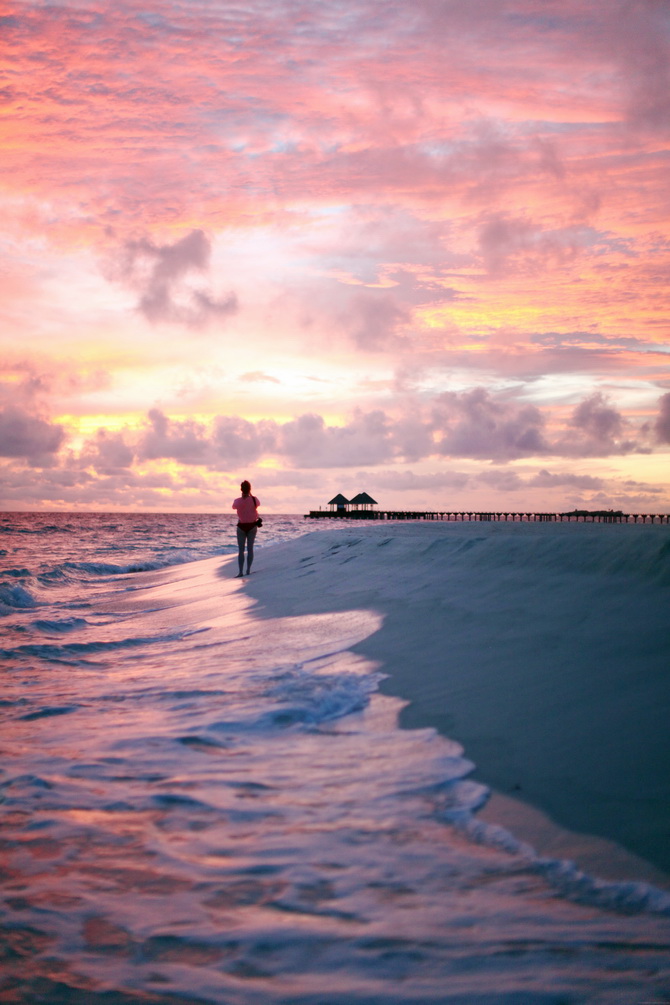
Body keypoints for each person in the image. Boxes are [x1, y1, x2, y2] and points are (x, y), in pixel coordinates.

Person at [232, 480, 260, 577]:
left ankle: (240, 572)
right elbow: (258, 504)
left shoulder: (237, 501)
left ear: (241, 489)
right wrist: (250, 494)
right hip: (252, 526)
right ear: (250, 489)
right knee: (250, 549)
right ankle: (248, 570)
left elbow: (233, 507)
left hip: (241, 526)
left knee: (241, 550)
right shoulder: (254, 499)